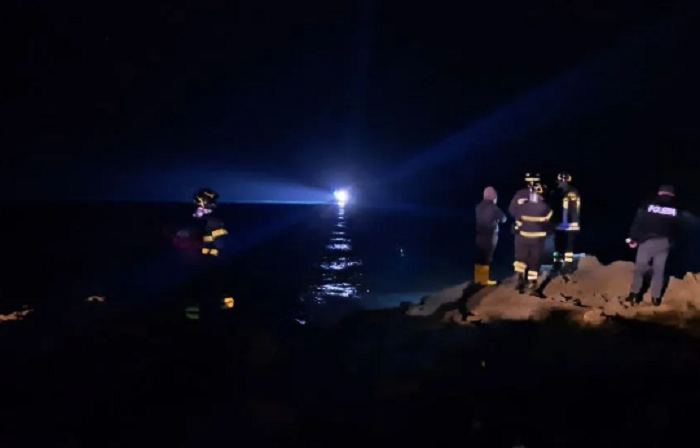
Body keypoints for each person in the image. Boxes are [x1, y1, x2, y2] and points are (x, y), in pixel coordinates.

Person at [624, 185, 679, 307]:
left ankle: (634, 295)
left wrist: (633, 239)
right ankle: (655, 298)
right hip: (664, 242)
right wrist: (672, 242)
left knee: (640, 269)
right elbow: (678, 228)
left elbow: (638, 222)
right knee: (659, 270)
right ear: (672, 194)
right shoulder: (675, 208)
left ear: (659, 192)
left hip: (647, 242)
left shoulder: (648, 204)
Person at [190, 187, 234, 321]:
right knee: (197, 289)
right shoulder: (194, 218)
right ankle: (194, 317)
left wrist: (208, 238)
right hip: (198, 261)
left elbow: (222, 236)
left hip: (213, 260)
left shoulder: (216, 221)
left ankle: (226, 314)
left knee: (219, 287)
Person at [513, 185, 553, 297]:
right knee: (534, 262)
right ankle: (532, 286)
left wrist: (519, 230)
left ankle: (520, 280)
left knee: (521, 259)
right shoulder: (547, 209)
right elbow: (548, 225)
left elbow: (518, 222)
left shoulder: (522, 207)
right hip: (538, 240)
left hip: (522, 238)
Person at [549, 172, 581, 277]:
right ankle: (557, 265)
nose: (562, 182)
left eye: (564, 180)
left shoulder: (571, 192)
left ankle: (567, 267)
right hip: (559, 224)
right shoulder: (556, 192)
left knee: (568, 248)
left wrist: (574, 223)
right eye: (561, 180)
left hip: (569, 225)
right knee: (558, 246)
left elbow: (573, 210)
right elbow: (552, 207)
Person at [474, 186, 507, 286]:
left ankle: (478, 278)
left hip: (479, 235)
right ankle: (484, 280)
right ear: (494, 197)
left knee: (480, 256)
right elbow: (503, 219)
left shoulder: (478, 206)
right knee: (487, 257)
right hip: (490, 236)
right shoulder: (493, 207)